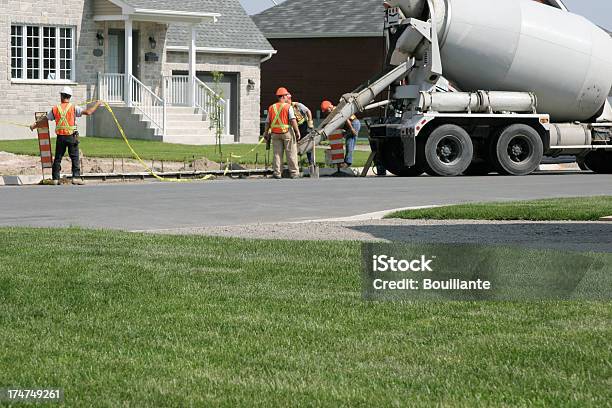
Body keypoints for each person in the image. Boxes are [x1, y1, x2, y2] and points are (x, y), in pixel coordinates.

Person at [30, 87, 102, 185]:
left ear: (62, 96)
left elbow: (45, 119)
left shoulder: (56, 108)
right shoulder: (73, 107)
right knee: (75, 157)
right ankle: (76, 177)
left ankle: (55, 178)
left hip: (60, 137)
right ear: (70, 96)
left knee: (58, 158)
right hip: (71, 136)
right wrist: (97, 103)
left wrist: (34, 125)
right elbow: (89, 112)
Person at [264, 87, 302, 179]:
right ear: (284, 96)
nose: (287, 97)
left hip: (275, 133)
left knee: (277, 153)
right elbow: (293, 120)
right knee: (291, 152)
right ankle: (294, 173)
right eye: (286, 95)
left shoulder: (271, 107)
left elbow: (267, 122)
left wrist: (265, 133)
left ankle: (277, 173)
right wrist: (297, 132)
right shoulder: (288, 107)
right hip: (287, 132)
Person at [321, 100, 361, 168]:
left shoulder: (336, 110)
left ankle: (347, 163)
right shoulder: (334, 111)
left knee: (349, 143)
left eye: (326, 111)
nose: (326, 113)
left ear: (329, 107)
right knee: (348, 143)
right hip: (350, 126)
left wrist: (352, 129)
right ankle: (344, 162)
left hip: (353, 124)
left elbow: (346, 118)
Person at [286, 94, 315, 164]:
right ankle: (295, 163)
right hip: (295, 128)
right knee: (294, 145)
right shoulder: (286, 108)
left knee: (308, 143)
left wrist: (310, 122)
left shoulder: (297, 105)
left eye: (286, 101)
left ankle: (311, 162)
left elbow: (308, 111)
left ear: (289, 100)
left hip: (304, 126)